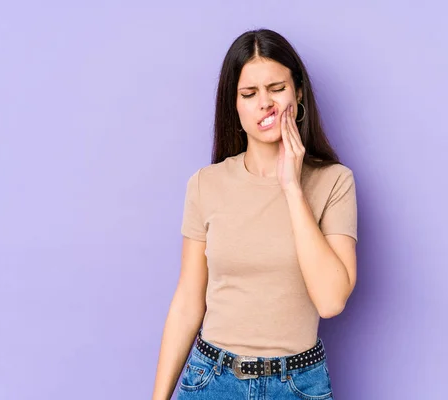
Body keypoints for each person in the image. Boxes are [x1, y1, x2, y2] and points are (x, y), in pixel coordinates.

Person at [152, 28, 358, 400]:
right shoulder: (205, 184)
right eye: (249, 94)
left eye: (276, 88)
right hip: (211, 379)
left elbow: (331, 301)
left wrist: (292, 187)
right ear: (235, 104)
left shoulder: (333, 181)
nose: (265, 103)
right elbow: (187, 300)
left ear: (298, 93)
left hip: (298, 384)